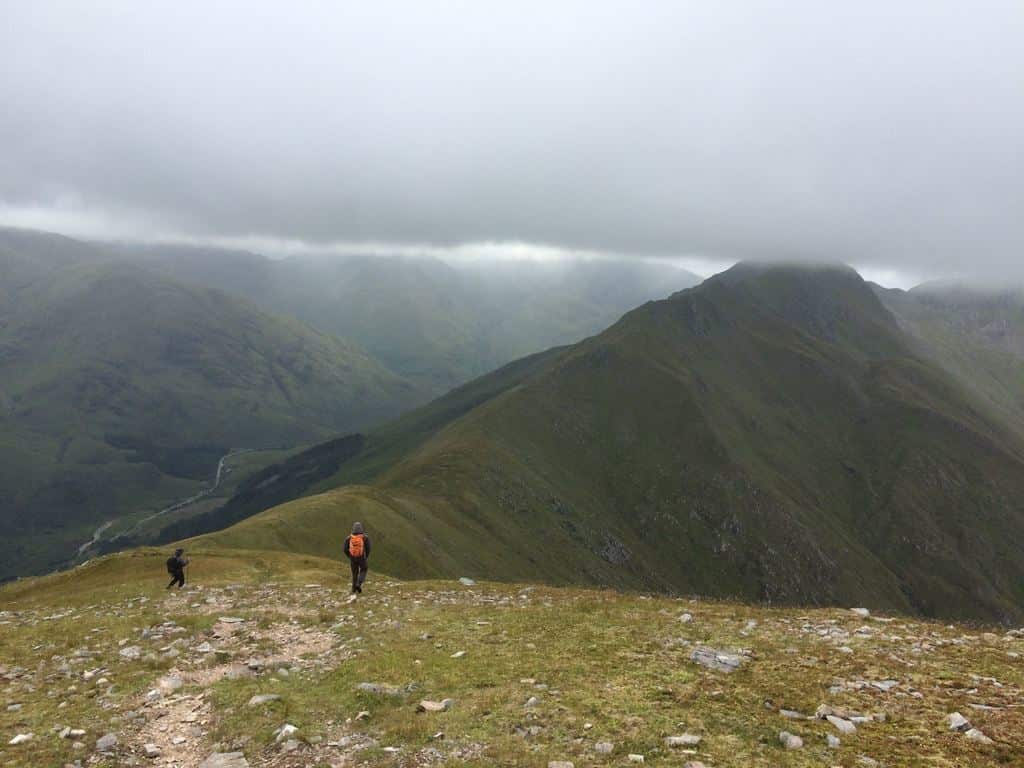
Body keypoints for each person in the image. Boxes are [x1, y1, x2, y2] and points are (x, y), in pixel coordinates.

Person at [343, 522, 371, 594]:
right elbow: (368, 549)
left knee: (354, 573)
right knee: (364, 569)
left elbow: (345, 549)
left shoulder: (349, 538)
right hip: (361, 557)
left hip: (352, 557)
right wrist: (365, 557)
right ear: (361, 528)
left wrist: (350, 556)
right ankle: (358, 583)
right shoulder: (365, 537)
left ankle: (353, 589)